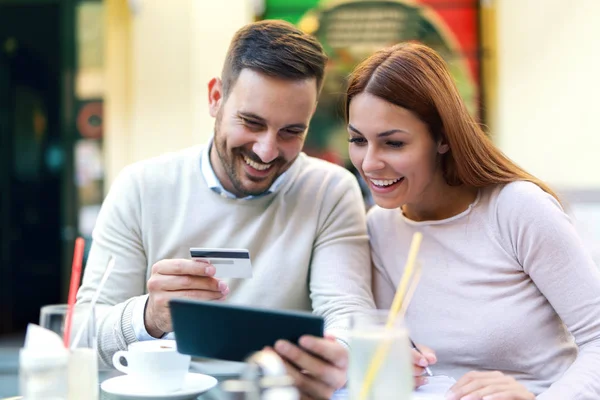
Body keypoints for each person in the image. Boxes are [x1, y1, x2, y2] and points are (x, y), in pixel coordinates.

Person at [77, 20, 375, 399]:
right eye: (252, 122)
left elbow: (349, 313)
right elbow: (79, 339)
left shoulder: (330, 190)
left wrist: (338, 357)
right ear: (216, 97)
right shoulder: (140, 188)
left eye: (291, 132)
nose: (266, 151)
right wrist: (149, 315)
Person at [345, 42, 600, 400]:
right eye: (358, 140)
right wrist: (404, 363)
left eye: (394, 143)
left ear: (443, 138)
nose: (369, 163)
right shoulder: (380, 225)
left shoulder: (516, 209)